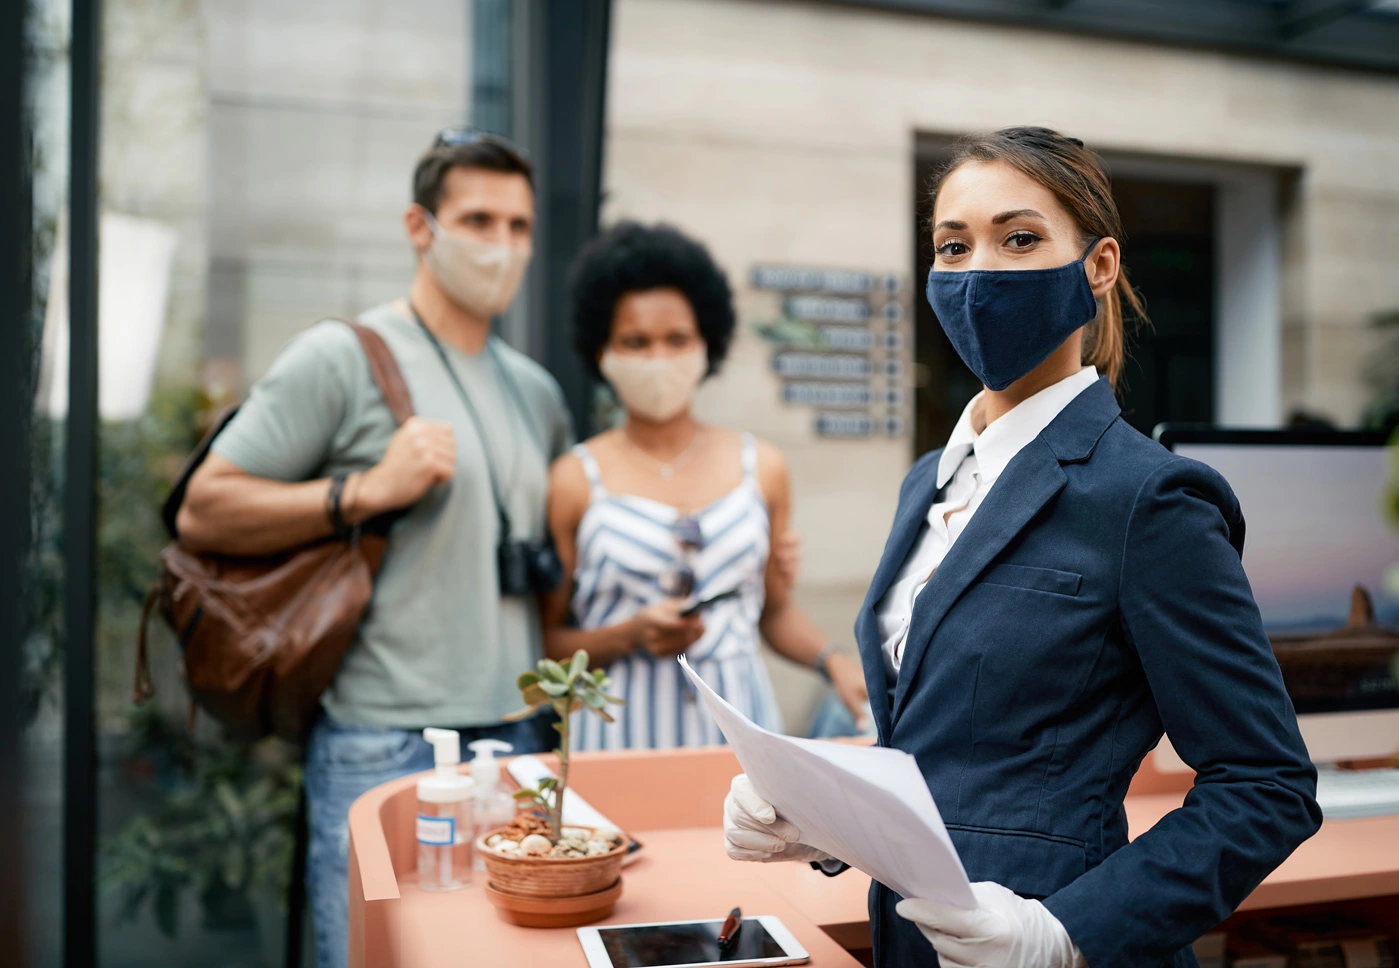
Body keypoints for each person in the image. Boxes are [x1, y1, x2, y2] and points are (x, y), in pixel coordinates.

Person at [721, 128, 1322, 968]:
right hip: (919, 945)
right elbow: (946, 743)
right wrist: (814, 814)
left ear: (1100, 266)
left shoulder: (1150, 499)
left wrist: (1068, 934)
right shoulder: (929, 478)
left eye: (1020, 238)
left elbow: (1268, 786)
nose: (980, 274)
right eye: (953, 246)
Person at [176, 129, 572, 968]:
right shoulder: (343, 357)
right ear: (419, 226)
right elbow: (202, 512)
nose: (501, 246)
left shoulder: (535, 392)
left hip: (518, 740)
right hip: (384, 741)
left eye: (518, 226)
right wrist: (364, 491)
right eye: (477, 219)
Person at [541, 221, 869, 749]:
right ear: (602, 351)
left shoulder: (760, 466)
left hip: (740, 731)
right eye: (635, 342)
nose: (658, 359)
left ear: (706, 344)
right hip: (618, 738)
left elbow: (774, 609)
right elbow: (546, 641)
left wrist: (833, 661)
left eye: (677, 340)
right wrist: (628, 635)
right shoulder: (575, 479)